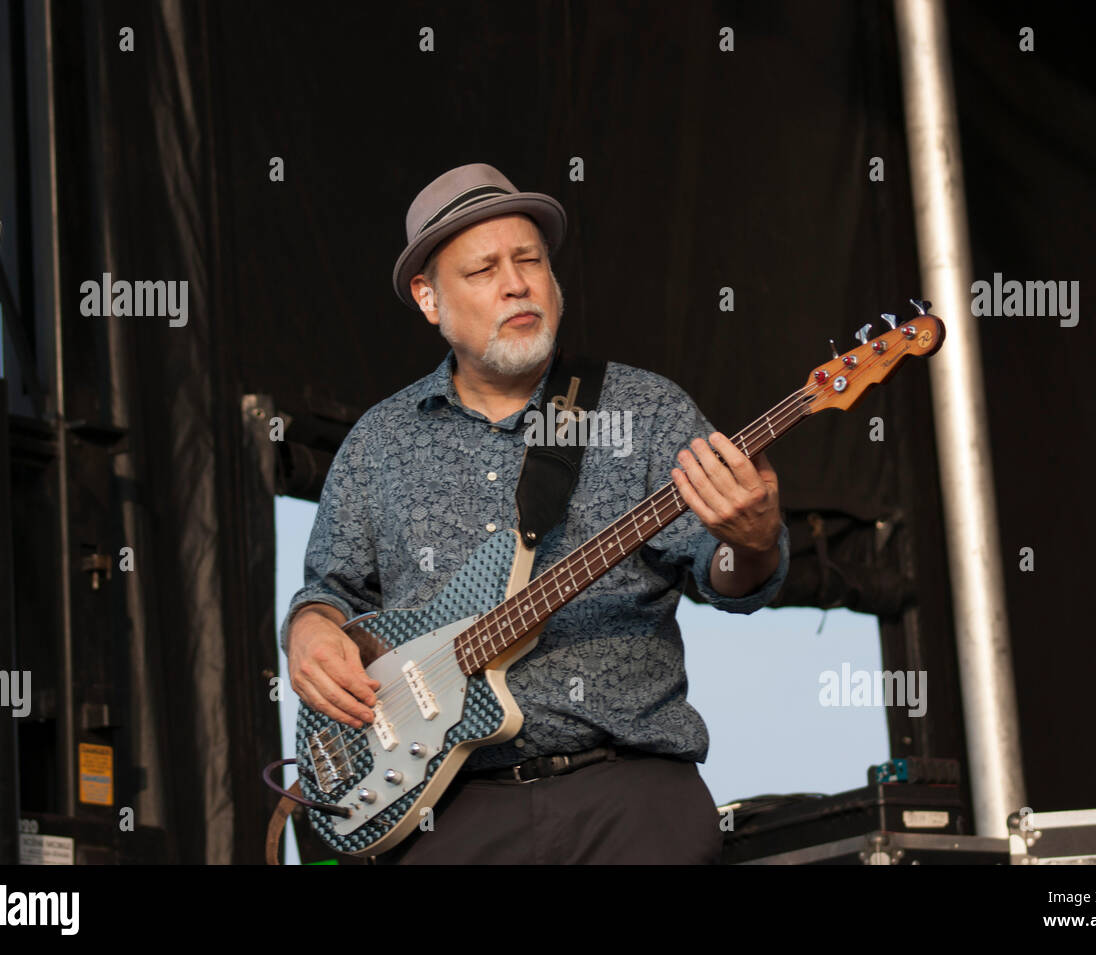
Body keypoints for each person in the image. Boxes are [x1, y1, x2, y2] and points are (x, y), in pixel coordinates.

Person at [280, 163, 790, 864]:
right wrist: (308, 631)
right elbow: (332, 591)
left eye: (530, 260)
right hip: (448, 811)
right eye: (484, 269)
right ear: (430, 300)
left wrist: (754, 540)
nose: (517, 283)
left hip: (630, 797)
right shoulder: (380, 440)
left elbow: (728, 575)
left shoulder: (644, 410)